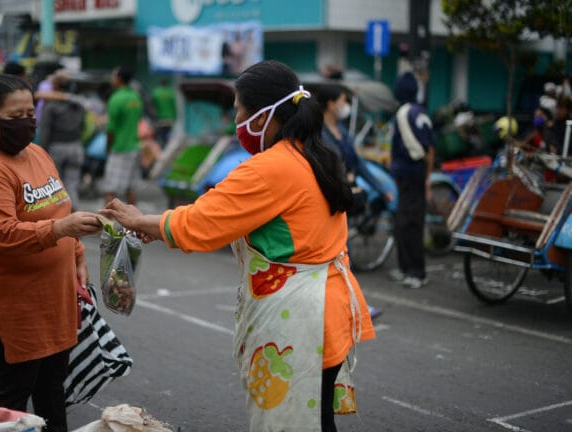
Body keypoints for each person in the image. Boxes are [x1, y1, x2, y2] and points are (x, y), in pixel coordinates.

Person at [100, 60, 375, 432]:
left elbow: (199, 224)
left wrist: (136, 220)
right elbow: (223, 216)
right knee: (317, 420)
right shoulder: (312, 153)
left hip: (300, 322)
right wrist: (155, 225)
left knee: (294, 424)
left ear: (262, 117)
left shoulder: (270, 168)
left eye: (239, 111)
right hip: (327, 310)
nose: (236, 122)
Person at [0, 74, 102, 432]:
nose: (26, 122)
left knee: (52, 390)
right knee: (12, 401)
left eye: (29, 113)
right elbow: (2, 233)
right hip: (16, 303)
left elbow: (58, 207)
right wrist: (62, 231)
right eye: (15, 115)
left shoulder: (36, 153)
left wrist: (77, 253)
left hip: (56, 297)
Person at [317, 83, 389, 319]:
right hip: (326, 202)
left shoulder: (342, 132)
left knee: (338, 257)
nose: (345, 106)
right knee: (334, 258)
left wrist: (381, 188)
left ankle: (348, 306)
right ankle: (351, 306)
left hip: (344, 201)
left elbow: (359, 164)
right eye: (342, 101)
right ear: (330, 104)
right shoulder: (318, 133)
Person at [388, 71, 435, 289]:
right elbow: (430, 148)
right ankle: (408, 268)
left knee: (408, 223)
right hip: (418, 174)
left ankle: (416, 271)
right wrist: (427, 178)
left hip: (408, 174)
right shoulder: (420, 111)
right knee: (409, 222)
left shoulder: (403, 113)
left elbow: (409, 149)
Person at [37, 73, 86, 211]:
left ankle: (61, 216)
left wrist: (40, 153)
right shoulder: (78, 104)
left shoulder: (51, 106)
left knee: (55, 185)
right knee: (72, 183)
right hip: (76, 147)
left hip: (56, 148)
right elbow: (83, 126)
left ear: (56, 86)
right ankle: (73, 210)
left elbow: (45, 131)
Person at [102, 66, 143, 205]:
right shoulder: (135, 97)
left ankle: (105, 225)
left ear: (119, 79)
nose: (112, 79)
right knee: (131, 189)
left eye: (114, 76)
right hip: (135, 146)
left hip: (120, 148)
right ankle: (135, 225)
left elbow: (111, 129)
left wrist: (108, 148)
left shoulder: (116, 98)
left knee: (110, 190)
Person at [150, 79, 177, 148]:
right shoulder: (170, 92)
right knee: (168, 134)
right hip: (170, 118)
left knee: (160, 135)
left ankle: (162, 148)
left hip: (160, 118)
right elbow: (174, 106)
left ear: (159, 84)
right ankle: (167, 147)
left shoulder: (155, 92)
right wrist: (175, 116)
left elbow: (151, 106)